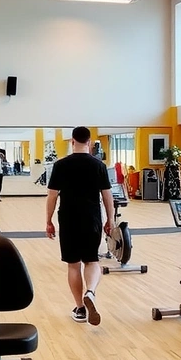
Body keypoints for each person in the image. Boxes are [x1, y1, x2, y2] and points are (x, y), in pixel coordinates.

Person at [46, 126, 115, 325]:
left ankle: (80, 308)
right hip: (92, 218)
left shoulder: (61, 165)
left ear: (72, 141)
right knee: (92, 261)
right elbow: (107, 195)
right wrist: (110, 220)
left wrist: (48, 221)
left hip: (68, 218)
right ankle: (91, 292)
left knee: (73, 265)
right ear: (90, 142)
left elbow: (52, 196)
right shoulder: (98, 165)